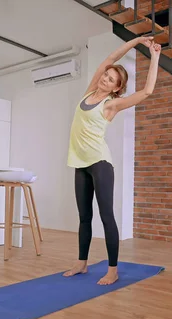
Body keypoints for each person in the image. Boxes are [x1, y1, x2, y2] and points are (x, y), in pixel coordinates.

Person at [63, 36, 161, 285]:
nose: (104, 79)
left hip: (100, 163)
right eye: (105, 76)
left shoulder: (111, 105)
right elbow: (111, 58)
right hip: (80, 162)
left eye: (110, 80)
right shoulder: (88, 93)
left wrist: (155, 55)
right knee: (84, 216)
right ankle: (81, 263)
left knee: (106, 215)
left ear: (116, 88)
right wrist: (137, 40)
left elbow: (147, 91)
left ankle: (113, 269)